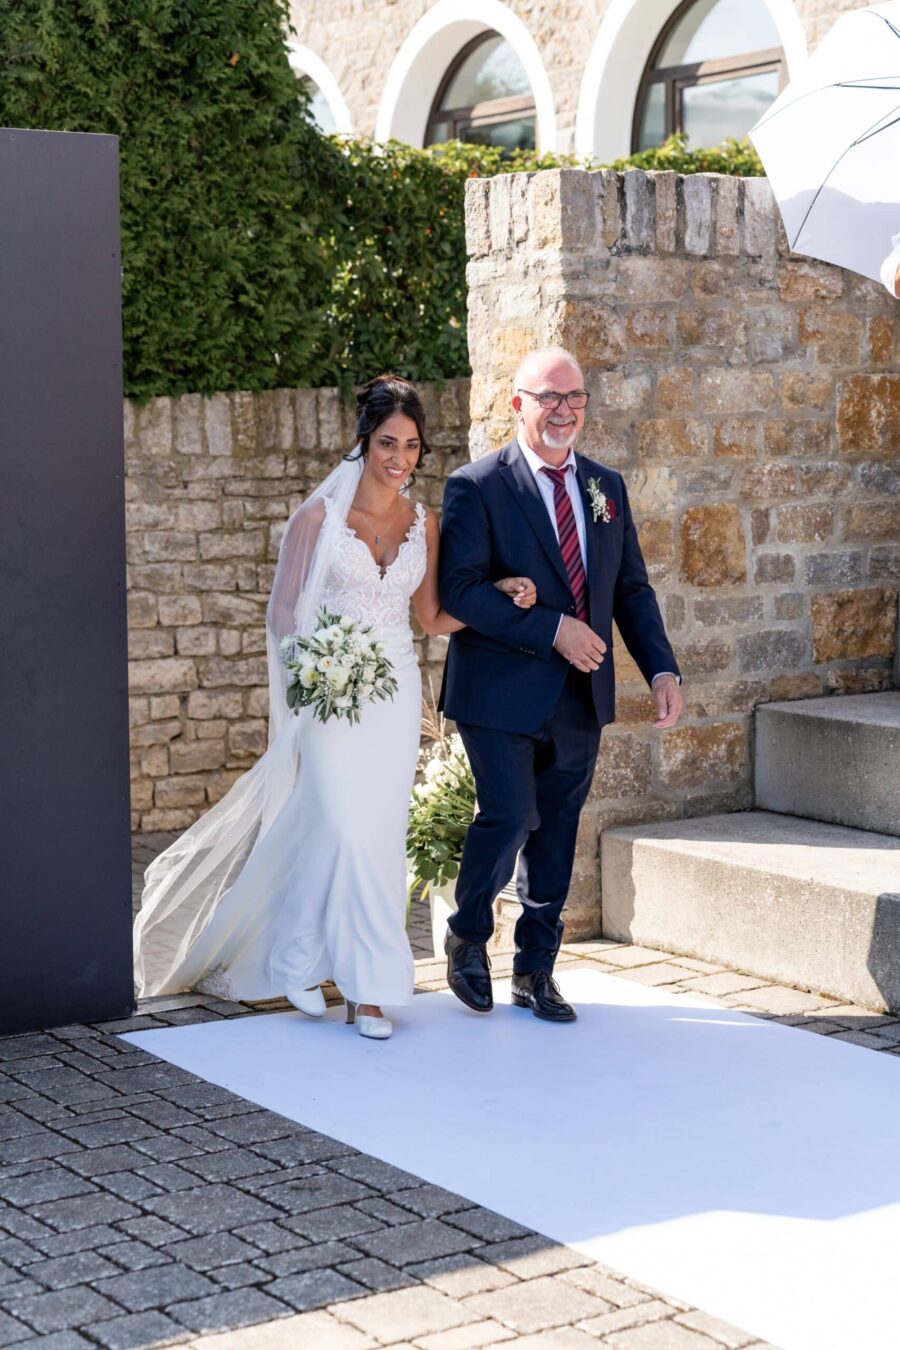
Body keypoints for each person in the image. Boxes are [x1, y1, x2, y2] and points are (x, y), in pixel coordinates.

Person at [133, 375, 537, 1040]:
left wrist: (499, 592)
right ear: (364, 440)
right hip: (328, 694)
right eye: (387, 443)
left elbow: (433, 617)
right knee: (341, 828)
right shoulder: (317, 520)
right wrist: (316, 674)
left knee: (372, 837)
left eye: (411, 446)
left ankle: (339, 975)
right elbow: (285, 618)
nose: (399, 458)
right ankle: (341, 977)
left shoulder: (424, 523)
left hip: (394, 692)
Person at [438, 346, 683, 1024]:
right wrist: (552, 629)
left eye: (573, 397)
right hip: (497, 691)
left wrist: (661, 666)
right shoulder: (477, 486)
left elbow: (630, 588)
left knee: (558, 831)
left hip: (581, 695)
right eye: (548, 397)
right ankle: (466, 934)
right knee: (511, 815)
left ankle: (534, 970)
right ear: (516, 404)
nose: (563, 410)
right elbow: (459, 592)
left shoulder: (606, 487)